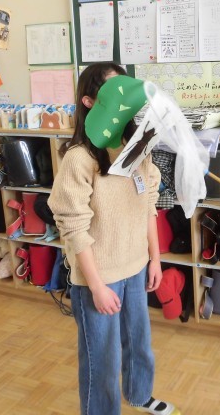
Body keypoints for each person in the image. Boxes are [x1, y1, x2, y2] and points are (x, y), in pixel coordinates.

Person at [48, 62, 180, 415]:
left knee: (139, 341)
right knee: (101, 359)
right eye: (114, 91)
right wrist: (96, 286)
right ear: (90, 101)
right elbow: (73, 228)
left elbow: (148, 205)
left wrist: (155, 259)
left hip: (135, 268)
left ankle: (139, 394)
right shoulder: (79, 159)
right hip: (99, 276)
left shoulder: (136, 149)